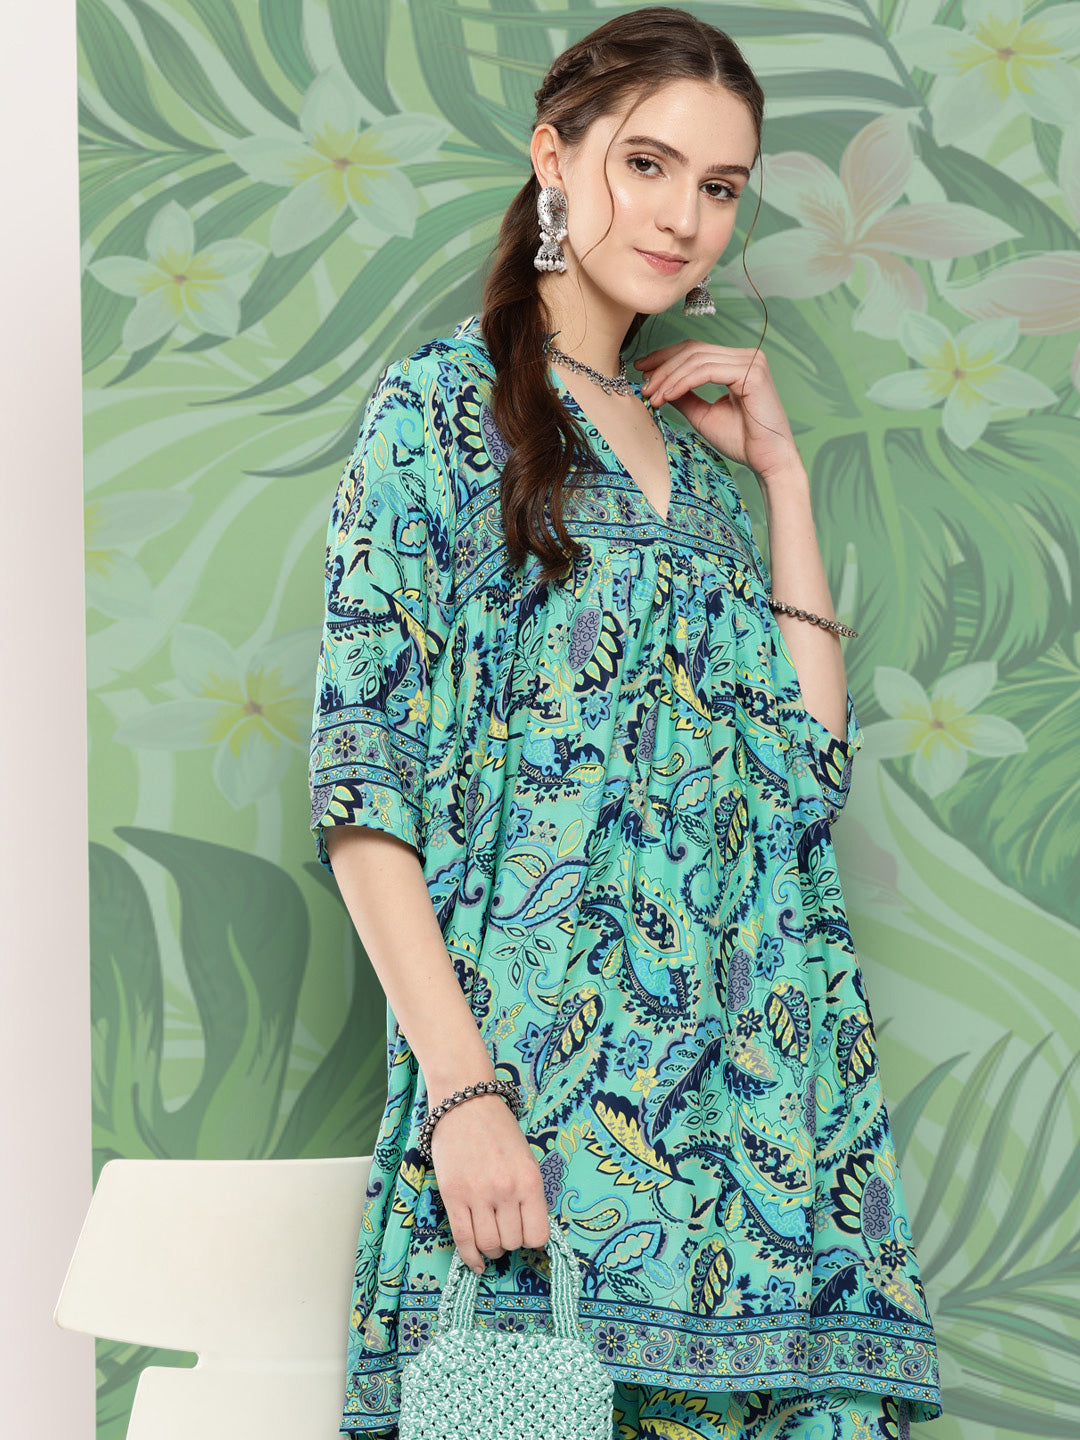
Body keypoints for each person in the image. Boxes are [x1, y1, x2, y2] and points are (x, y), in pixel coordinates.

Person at [307, 7, 943, 1438]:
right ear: (554, 156)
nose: (682, 218)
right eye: (647, 165)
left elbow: (804, 774)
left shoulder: (705, 483)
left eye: (719, 187)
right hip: (540, 1110)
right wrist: (463, 1096)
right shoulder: (439, 416)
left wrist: (782, 481)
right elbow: (364, 785)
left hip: (770, 1128)